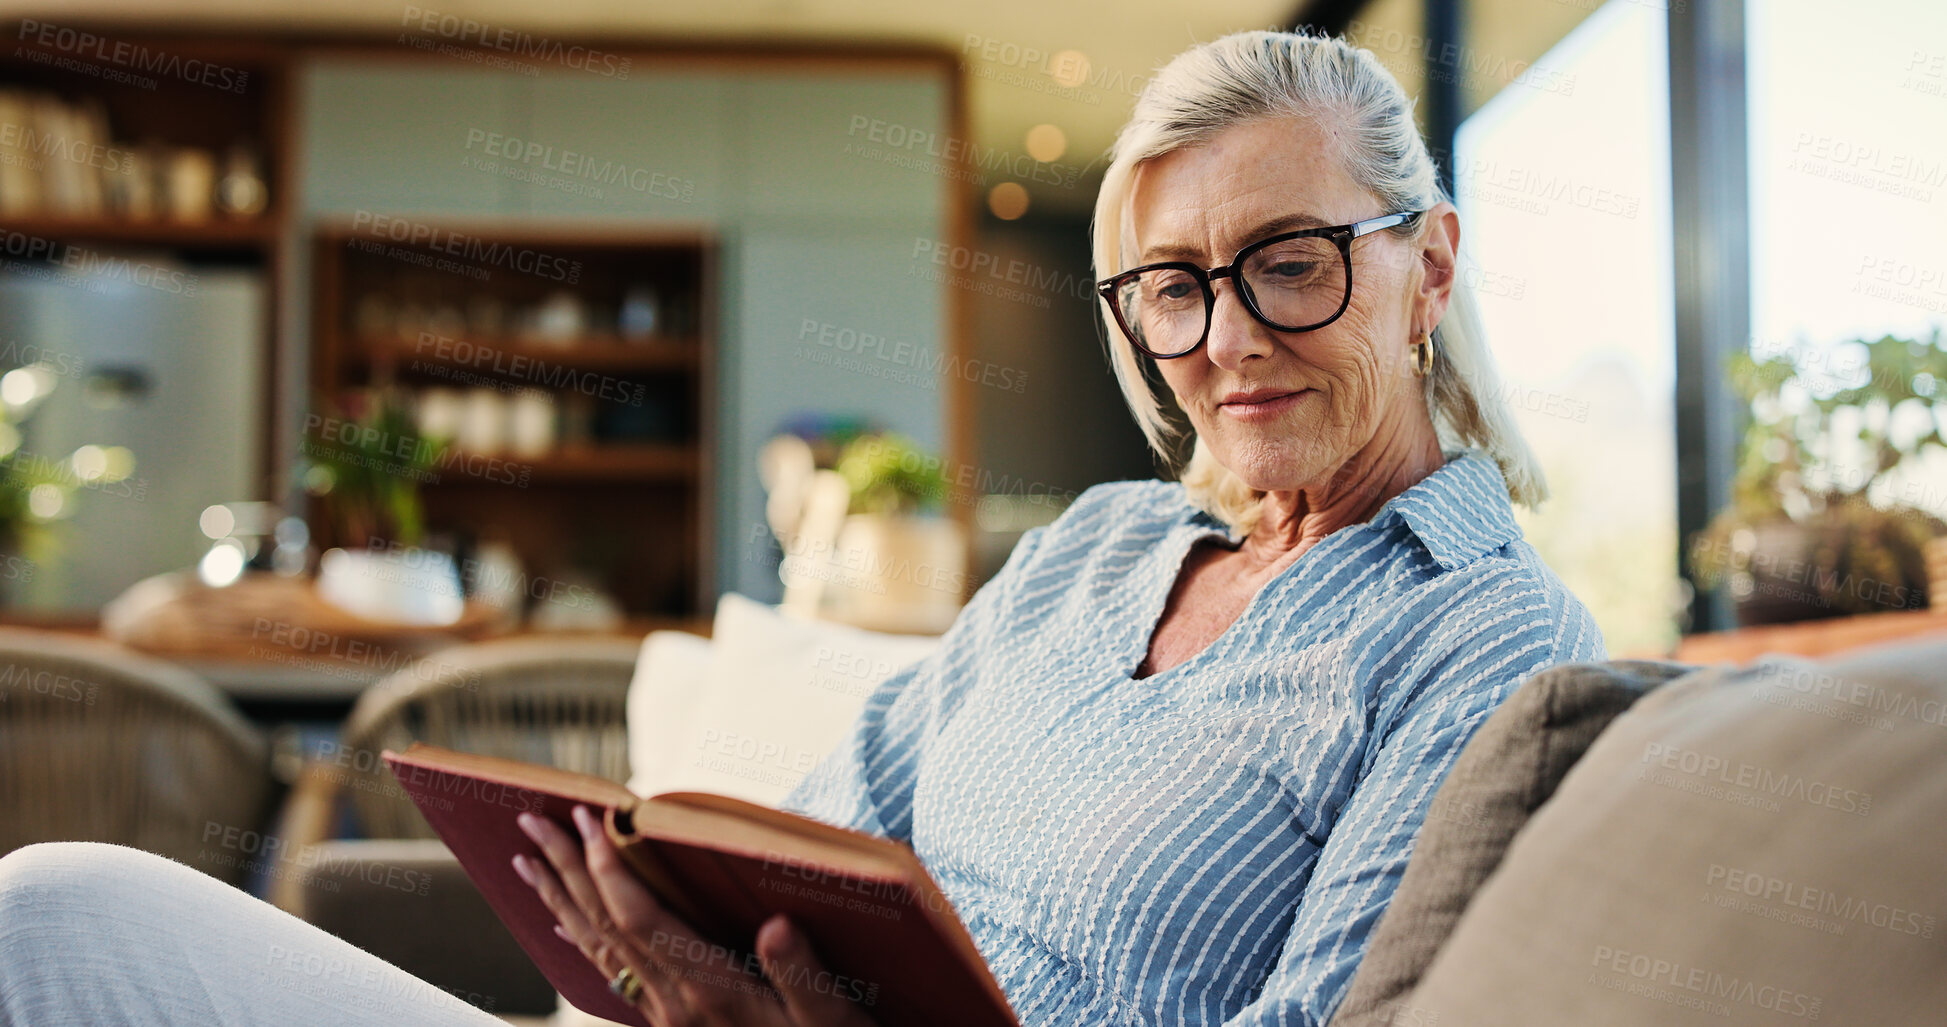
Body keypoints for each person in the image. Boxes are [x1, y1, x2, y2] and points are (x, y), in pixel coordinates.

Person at [0, 28, 1603, 1027]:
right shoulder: (1097, 548)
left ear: (1430, 268)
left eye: (1292, 261)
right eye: (1174, 286)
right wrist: (673, 932)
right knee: (58, 911)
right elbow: (830, 824)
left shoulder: (1494, 643)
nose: (1227, 340)